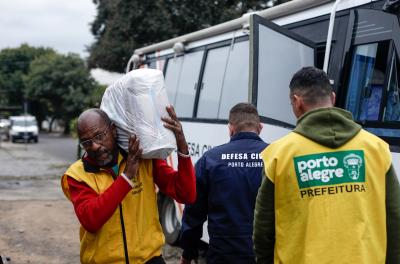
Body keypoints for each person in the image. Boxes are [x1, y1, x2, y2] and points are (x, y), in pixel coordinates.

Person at [253, 66, 400, 264]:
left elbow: (263, 230)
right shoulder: (377, 149)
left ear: (297, 102)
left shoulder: (279, 155)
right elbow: (394, 219)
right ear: (332, 97)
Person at [61, 106, 196, 264]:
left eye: (99, 136)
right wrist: (127, 177)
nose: (95, 146)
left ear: (113, 130)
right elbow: (91, 220)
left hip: (150, 259)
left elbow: (186, 194)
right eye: (86, 142)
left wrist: (182, 146)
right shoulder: (77, 175)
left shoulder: (144, 159)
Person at [179, 103, 267, 264]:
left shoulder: (210, 159)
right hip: (265, 255)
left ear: (230, 129)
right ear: (260, 128)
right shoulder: (276, 157)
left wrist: (188, 252)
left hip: (223, 255)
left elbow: (194, 212)